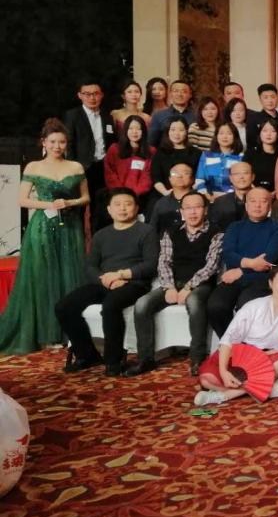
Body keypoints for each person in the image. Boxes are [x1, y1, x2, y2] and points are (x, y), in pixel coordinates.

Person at [0, 120, 88, 355]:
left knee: (69, 275)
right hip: (41, 228)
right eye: (52, 142)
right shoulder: (33, 167)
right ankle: (46, 334)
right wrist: (48, 204)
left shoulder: (76, 167)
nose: (57, 146)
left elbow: (85, 198)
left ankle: (70, 332)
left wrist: (69, 202)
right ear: (44, 143)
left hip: (70, 227)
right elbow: (22, 200)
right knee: (43, 278)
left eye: (62, 142)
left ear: (67, 143)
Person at [55, 188, 158, 375]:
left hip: (134, 284)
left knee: (110, 305)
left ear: (136, 208)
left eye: (128, 204)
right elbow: (90, 266)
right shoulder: (101, 235)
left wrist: (121, 275)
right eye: (117, 204)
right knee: (64, 306)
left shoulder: (147, 231)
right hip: (104, 282)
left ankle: (113, 361)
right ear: (109, 209)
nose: (123, 208)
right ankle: (87, 355)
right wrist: (105, 280)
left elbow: (151, 265)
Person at [126, 191, 222, 377]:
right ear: (181, 211)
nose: (192, 212)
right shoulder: (171, 231)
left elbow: (211, 266)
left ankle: (197, 358)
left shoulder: (216, 233)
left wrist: (188, 288)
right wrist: (169, 287)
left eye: (197, 207)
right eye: (188, 208)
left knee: (194, 303)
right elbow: (164, 262)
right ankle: (145, 359)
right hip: (173, 282)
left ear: (205, 210)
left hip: (201, 284)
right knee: (142, 304)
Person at [193, 263, 278, 407]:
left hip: (268, 359)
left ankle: (223, 396)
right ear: (271, 283)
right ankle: (270, 388)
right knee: (207, 379)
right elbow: (229, 338)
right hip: (240, 355)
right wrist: (223, 371)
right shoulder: (253, 306)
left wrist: (264, 355)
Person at [207, 187, 278, 338]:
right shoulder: (235, 227)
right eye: (253, 201)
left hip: (262, 279)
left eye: (263, 201)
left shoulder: (277, 228)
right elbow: (228, 253)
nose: (258, 205)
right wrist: (249, 264)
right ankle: (230, 343)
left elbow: (269, 259)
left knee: (246, 306)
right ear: (246, 205)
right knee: (216, 306)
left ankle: (248, 346)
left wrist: (241, 270)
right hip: (233, 278)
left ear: (270, 206)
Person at [64, 80, 116, 231]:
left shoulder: (107, 116)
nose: (92, 97)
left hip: (102, 168)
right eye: (87, 94)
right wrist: (72, 167)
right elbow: (69, 143)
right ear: (80, 95)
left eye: (96, 94)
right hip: (81, 168)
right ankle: (79, 242)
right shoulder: (73, 115)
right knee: (79, 208)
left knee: (100, 208)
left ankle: (98, 241)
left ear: (101, 95)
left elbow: (111, 142)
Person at [103, 115, 154, 207]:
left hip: (140, 197)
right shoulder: (114, 149)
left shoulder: (151, 151)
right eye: (131, 128)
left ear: (144, 131)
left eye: (138, 129)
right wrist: (121, 193)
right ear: (125, 130)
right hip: (116, 195)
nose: (134, 132)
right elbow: (110, 173)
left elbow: (148, 176)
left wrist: (133, 195)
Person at [150, 117, 201, 201]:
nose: (176, 133)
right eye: (173, 130)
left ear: (186, 131)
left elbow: (199, 177)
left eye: (181, 130)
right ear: (168, 132)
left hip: (191, 195)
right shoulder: (160, 153)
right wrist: (166, 193)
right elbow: (156, 177)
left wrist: (189, 193)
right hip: (164, 194)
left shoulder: (196, 153)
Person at [194, 123, 244, 200]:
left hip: (233, 199)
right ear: (216, 136)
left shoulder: (240, 157)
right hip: (208, 198)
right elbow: (199, 179)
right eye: (221, 133)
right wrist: (205, 195)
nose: (225, 137)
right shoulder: (206, 155)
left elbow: (242, 181)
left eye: (229, 133)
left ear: (235, 137)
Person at [151, 162, 195, 236]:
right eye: (175, 173)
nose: (180, 176)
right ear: (170, 179)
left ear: (192, 179)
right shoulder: (161, 203)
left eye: (185, 173)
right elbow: (153, 230)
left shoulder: (200, 200)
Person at [148, 80, 195, 147]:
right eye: (176, 91)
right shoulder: (158, 116)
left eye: (184, 91)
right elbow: (151, 142)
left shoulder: (196, 116)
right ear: (170, 94)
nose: (179, 94)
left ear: (190, 95)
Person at [210, 161, 254, 232]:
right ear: (230, 178)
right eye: (236, 174)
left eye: (245, 173)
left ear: (253, 177)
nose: (241, 177)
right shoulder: (220, 202)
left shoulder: (263, 199)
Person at [243, 119, 278, 193]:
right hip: (252, 192)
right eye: (265, 131)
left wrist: (274, 193)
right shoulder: (250, 153)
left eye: (273, 131)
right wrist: (257, 192)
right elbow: (244, 173)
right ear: (260, 133)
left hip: (276, 194)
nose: (268, 134)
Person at [244, 83, 278, 148]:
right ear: (260, 99)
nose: (270, 100)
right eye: (265, 97)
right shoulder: (253, 119)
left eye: (273, 97)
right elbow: (251, 141)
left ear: (277, 98)